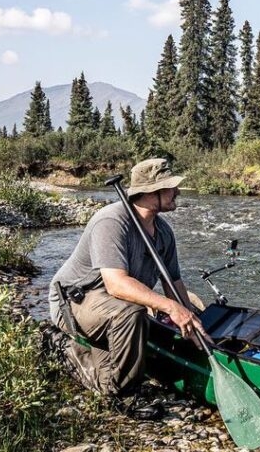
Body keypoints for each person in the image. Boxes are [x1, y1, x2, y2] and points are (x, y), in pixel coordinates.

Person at [48, 158, 207, 419]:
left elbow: (173, 283)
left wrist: (192, 322)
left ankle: (64, 349)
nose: (177, 192)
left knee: (105, 372)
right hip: (76, 302)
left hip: (112, 307)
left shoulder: (163, 232)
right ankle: (124, 397)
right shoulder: (111, 221)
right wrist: (171, 308)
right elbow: (116, 283)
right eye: (170, 187)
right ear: (150, 193)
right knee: (131, 314)